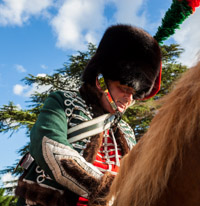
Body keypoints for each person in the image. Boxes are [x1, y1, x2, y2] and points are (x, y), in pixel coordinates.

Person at [15, 24, 162, 206]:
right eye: (124, 89)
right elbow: (50, 148)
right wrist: (108, 191)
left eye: (134, 94)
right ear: (101, 80)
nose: (128, 99)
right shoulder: (62, 101)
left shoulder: (127, 131)